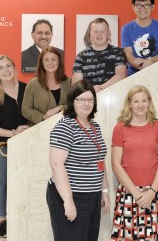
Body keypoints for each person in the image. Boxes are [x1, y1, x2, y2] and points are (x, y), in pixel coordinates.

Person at [46, 80, 110, 241]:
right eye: (81, 99)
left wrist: (104, 192)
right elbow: (56, 164)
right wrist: (68, 200)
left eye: (90, 99)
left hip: (92, 196)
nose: (86, 104)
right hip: (71, 195)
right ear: (72, 101)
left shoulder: (95, 126)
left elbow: (100, 161)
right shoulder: (65, 127)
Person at [110, 85, 158, 240]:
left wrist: (151, 192)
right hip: (129, 194)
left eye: (144, 101)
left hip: (153, 193)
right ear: (129, 104)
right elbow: (115, 165)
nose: (140, 105)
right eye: (136, 101)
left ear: (149, 103)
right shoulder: (120, 128)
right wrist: (137, 194)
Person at [0, 55, 29, 237]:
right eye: (1, 68)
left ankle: (22, 216)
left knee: (23, 181)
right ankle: (3, 221)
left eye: (8, 65)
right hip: (3, 147)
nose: (6, 70)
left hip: (26, 146)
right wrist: (12, 133)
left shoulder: (26, 88)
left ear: (15, 67)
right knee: (2, 183)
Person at [121, 0, 158, 76]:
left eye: (146, 5)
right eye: (139, 5)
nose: (142, 9)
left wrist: (147, 62)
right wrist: (144, 66)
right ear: (133, 7)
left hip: (157, 74)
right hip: (133, 75)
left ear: (152, 7)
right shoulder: (126, 29)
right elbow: (128, 55)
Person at [72, 18, 126, 92]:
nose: (99, 35)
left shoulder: (117, 52)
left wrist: (101, 88)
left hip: (113, 97)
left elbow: (121, 75)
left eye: (102, 31)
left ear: (108, 33)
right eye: (95, 31)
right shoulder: (81, 56)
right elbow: (76, 85)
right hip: (88, 100)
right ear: (89, 34)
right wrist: (92, 91)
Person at [22, 46, 71, 126]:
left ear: (59, 61)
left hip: (64, 129)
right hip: (39, 130)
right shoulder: (33, 84)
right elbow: (25, 109)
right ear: (42, 63)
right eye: (46, 60)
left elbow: (75, 105)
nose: (50, 63)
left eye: (53, 59)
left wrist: (60, 108)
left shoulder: (69, 82)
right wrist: (44, 117)